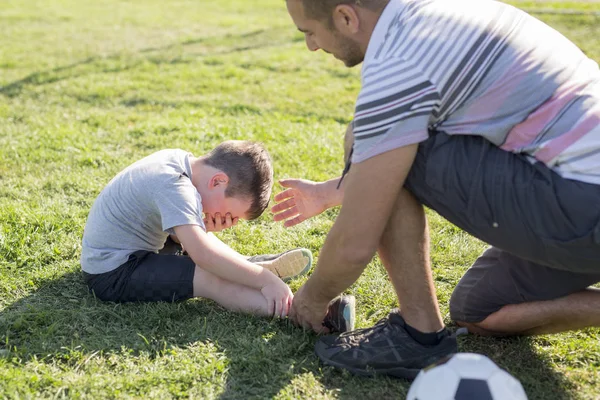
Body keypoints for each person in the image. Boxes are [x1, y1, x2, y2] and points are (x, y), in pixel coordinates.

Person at [275, 0, 600, 379]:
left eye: (309, 32)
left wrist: (311, 301)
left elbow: (355, 243)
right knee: (478, 310)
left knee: (366, 138)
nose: (311, 46)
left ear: (346, 17)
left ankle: (420, 336)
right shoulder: (442, 12)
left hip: (584, 200)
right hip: (577, 190)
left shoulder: (400, 59)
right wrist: (333, 191)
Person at [81, 140, 354, 328]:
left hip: (140, 250)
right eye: (233, 214)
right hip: (113, 273)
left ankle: (249, 266)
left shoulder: (179, 162)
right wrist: (265, 282)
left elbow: (179, 237)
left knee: (203, 238)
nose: (231, 220)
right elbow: (202, 257)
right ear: (218, 181)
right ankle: (307, 314)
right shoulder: (176, 187)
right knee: (211, 277)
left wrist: (205, 228)